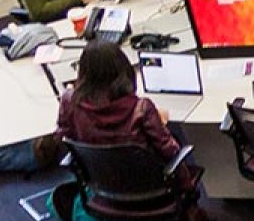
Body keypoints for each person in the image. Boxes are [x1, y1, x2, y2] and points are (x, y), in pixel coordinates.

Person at [57, 40, 198, 188]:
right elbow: (171, 151)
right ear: (123, 68)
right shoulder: (141, 109)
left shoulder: (69, 100)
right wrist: (160, 124)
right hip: (149, 188)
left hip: (104, 188)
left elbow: (64, 139)